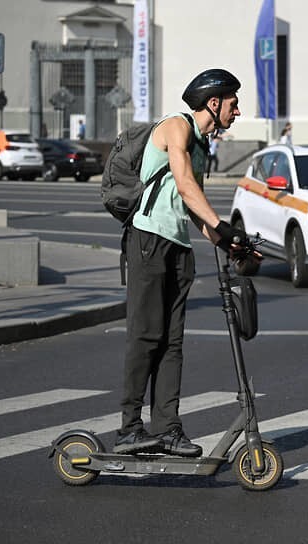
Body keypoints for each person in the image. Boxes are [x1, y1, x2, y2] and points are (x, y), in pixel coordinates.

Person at [115, 68, 256, 456]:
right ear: (214, 103)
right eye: (233, 104)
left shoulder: (201, 146)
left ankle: (167, 429)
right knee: (145, 336)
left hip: (177, 247)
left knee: (172, 343)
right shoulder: (176, 127)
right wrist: (221, 225)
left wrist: (233, 245)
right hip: (148, 241)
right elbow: (183, 184)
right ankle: (129, 428)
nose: (237, 111)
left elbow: (193, 210)